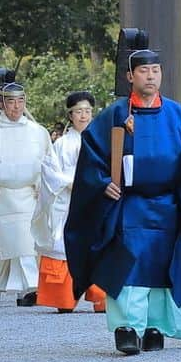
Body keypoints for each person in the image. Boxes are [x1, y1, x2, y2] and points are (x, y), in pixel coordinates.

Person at [65, 48, 181, 356]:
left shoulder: (179, 115)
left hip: (169, 205)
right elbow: (92, 158)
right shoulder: (115, 114)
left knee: (165, 266)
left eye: (155, 71)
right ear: (130, 76)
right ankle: (128, 327)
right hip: (130, 205)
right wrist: (103, 184)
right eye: (143, 71)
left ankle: (156, 326)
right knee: (130, 262)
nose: (150, 76)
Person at [0, 82, 51, 307]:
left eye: (20, 101)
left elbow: (47, 162)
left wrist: (41, 185)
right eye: (11, 101)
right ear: (2, 104)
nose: (16, 106)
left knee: (26, 243)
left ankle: (29, 288)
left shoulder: (38, 131)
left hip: (28, 195)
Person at [32, 91, 106, 313]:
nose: (83, 116)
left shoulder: (101, 140)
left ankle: (101, 296)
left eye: (87, 111)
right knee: (62, 245)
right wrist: (72, 182)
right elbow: (50, 171)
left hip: (95, 200)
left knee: (99, 245)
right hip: (67, 199)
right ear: (70, 115)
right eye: (78, 112)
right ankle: (63, 298)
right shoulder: (62, 143)